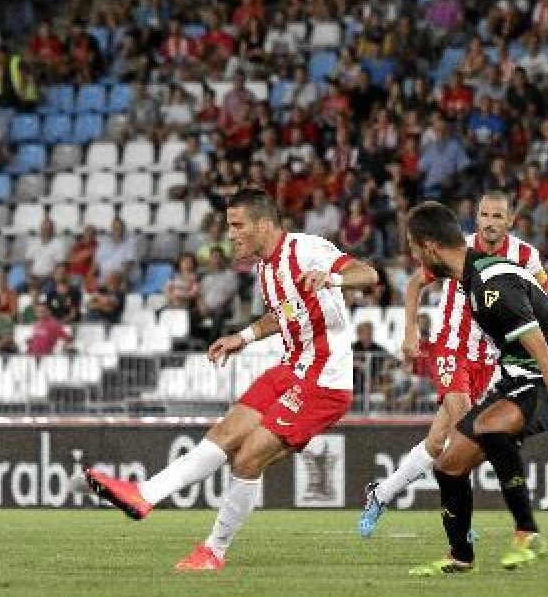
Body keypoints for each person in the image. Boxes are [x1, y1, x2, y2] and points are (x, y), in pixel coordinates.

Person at [83, 189, 379, 571]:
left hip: (324, 381)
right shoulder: (265, 269)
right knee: (224, 433)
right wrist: (243, 337)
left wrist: (332, 278)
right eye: (229, 226)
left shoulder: (305, 249)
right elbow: (283, 315)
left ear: (263, 224)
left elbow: (367, 274)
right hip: (291, 368)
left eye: (238, 226)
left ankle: (214, 551)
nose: (231, 235)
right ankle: (144, 495)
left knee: (249, 454)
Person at [401, 202, 548, 575]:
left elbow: (545, 353)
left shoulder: (491, 286)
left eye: (415, 250)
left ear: (431, 247)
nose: (417, 259)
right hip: (518, 377)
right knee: (448, 466)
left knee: (489, 426)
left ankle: (527, 532)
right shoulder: (471, 276)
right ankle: (460, 556)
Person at [357, 268, 499, 539]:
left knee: (435, 445)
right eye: (486, 219)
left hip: (485, 360)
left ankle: (380, 493)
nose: (491, 222)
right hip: (450, 350)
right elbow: (415, 282)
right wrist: (410, 330)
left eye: (498, 219)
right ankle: (460, 518)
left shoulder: (521, 256)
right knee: (465, 433)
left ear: (510, 221)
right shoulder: (458, 250)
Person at [467, 191, 548, 298]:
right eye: (484, 215)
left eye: (497, 216)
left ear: (510, 221)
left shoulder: (525, 254)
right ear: (477, 218)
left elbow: (547, 294)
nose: (489, 223)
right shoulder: (460, 248)